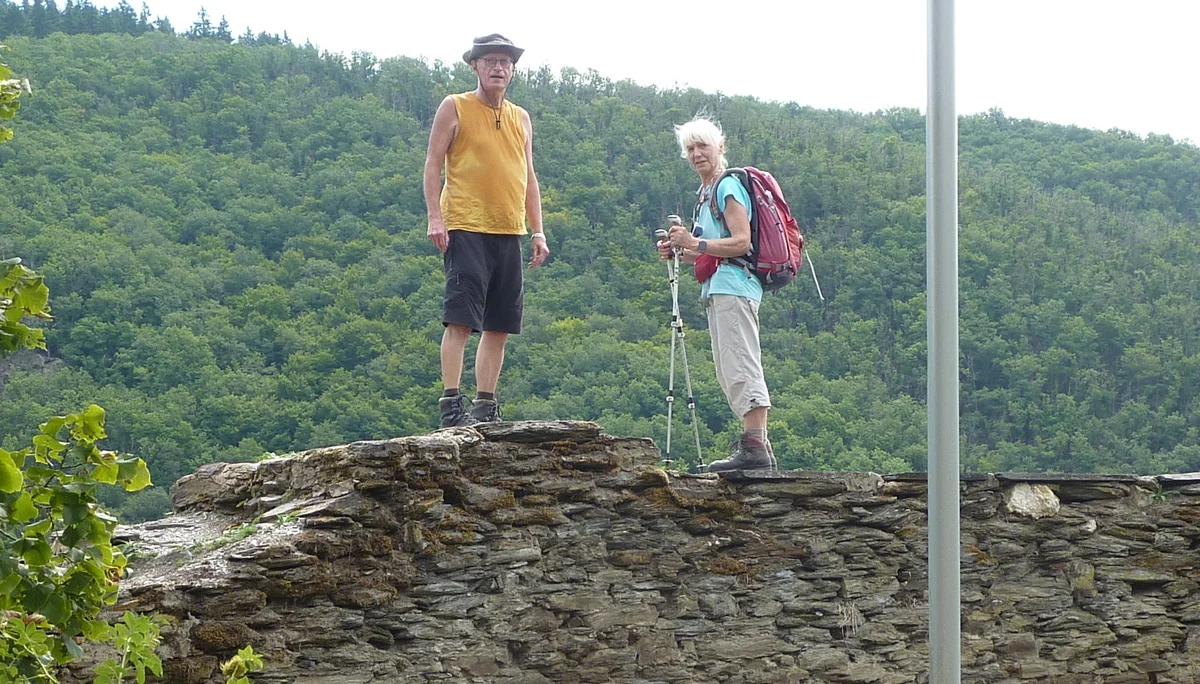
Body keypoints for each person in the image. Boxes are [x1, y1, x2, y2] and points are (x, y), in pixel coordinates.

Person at [424, 34, 548, 428]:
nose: (498, 67)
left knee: (500, 324)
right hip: (464, 225)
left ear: (513, 70)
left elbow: (529, 177)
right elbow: (432, 164)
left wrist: (538, 231)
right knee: (460, 318)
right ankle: (450, 406)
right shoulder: (455, 106)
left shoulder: (520, 117)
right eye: (490, 60)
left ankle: (485, 406)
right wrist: (435, 217)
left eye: (505, 62)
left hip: (508, 229)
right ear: (475, 66)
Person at [658, 116, 774, 472]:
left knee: (740, 361)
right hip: (722, 287)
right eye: (690, 149)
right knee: (730, 366)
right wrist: (685, 251)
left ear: (719, 147)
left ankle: (755, 447)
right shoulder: (707, 193)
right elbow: (710, 249)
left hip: (734, 286)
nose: (696, 154)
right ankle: (756, 445)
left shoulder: (726, 187)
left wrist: (695, 243)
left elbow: (742, 241)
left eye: (702, 146)